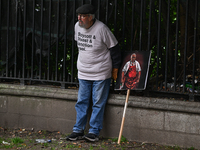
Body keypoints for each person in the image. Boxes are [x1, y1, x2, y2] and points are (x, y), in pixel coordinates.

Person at [66, 4, 121, 142]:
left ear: (90, 17)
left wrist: (115, 68)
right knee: (82, 101)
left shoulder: (102, 29)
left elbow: (114, 48)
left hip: (100, 73)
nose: (79, 19)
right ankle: (78, 130)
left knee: (98, 102)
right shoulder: (77, 26)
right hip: (83, 72)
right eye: (78, 16)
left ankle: (94, 132)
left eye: (83, 16)